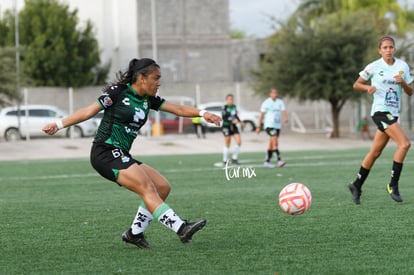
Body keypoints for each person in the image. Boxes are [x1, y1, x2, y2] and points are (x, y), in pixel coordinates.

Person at [42, 58, 221, 248]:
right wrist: (59, 124)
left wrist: (203, 114)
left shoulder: (147, 99)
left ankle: (134, 234)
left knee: (162, 186)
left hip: (121, 153)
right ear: (141, 78)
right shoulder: (118, 93)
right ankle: (181, 228)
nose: (159, 82)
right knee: (147, 187)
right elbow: (89, 111)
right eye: (156, 78)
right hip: (105, 152)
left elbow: (177, 108)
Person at [348, 36, 412, 205]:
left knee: (375, 153)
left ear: (395, 49)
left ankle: (356, 184)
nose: (388, 50)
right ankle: (393, 185)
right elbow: (356, 84)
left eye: (391, 47)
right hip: (380, 112)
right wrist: (367, 87)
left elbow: (410, 91)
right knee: (405, 144)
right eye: (385, 47)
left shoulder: (402, 67)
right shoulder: (374, 66)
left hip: (393, 113)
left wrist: (403, 82)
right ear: (380, 50)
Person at [256, 87, 288, 168]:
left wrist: (285, 118)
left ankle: (267, 161)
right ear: (270, 94)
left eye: (276, 93)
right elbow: (261, 115)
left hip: (277, 125)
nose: (275, 94)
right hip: (269, 125)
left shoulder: (280, 102)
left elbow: (283, 111)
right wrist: (259, 126)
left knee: (272, 143)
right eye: (273, 93)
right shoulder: (266, 103)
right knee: (274, 140)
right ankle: (279, 160)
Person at [221, 94, 243, 166]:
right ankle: (225, 160)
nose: (231, 100)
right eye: (230, 99)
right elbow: (224, 118)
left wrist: (240, 121)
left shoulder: (234, 107)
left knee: (239, 141)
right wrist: (231, 121)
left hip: (233, 126)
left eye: (232, 99)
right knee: (227, 143)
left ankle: (234, 158)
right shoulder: (224, 107)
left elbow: (235, 115)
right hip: (226, 126)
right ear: (227, 100)